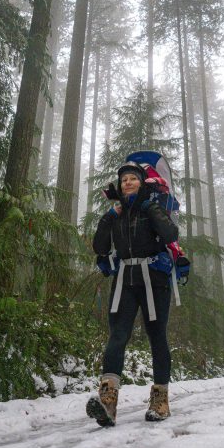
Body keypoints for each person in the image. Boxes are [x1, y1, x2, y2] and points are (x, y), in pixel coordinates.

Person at [86, 161, 179, 427]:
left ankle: (160, 401)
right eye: (124, 179)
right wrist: (107, 218)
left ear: (141, 182)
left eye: (132, 179)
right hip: (124, 279)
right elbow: (100, 247)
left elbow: (171, 233)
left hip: (154, 279)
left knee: (157, 335)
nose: (127, 182)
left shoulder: (152, 207)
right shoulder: (116, 212)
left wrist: (152, 210)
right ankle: (108, 402)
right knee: (117, 335)